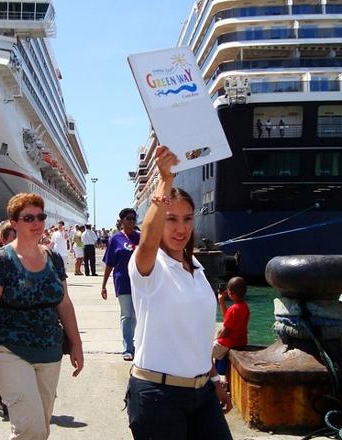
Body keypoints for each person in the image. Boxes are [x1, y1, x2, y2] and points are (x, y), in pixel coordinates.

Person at [126, 146, 232, 439]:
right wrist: (165, 181)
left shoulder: (194, 266)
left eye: (187, 218)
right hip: (158, 395)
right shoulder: (148, 266)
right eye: (171, 219)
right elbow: (147, 240)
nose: (180, 228)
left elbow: (194, 333)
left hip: (202, 393)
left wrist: (214, 378)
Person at [0, 193, 84, 440]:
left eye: (40, 217)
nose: (37, 223)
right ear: (14, 223)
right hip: (8, 349)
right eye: (28, 218)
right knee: (30, 429)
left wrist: (76, 343)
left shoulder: (53, 259)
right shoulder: (0, 261)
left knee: (40, 428)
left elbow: (64, 304)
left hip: (50, 351)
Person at [101, 208, 140, 361]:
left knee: (136, 316)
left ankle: (132, 343)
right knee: (126, 315)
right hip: (122, 281)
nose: (131, 221)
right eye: (129, 218)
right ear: (122, 221)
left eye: (133, 218)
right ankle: (127, 349)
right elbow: (109, 264)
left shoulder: (140, 237)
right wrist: (103, 285)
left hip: (140, 282)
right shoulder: (115, 239)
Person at [213, 277, 250, 374]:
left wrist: (216, 339)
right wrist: (221, 302)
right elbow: (228, 320)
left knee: (205, 352)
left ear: (229, 293)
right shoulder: (244, 307)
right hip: (241, 341)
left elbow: (226, 330)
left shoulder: (233, 309)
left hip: (228, 342)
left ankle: (211, 377)